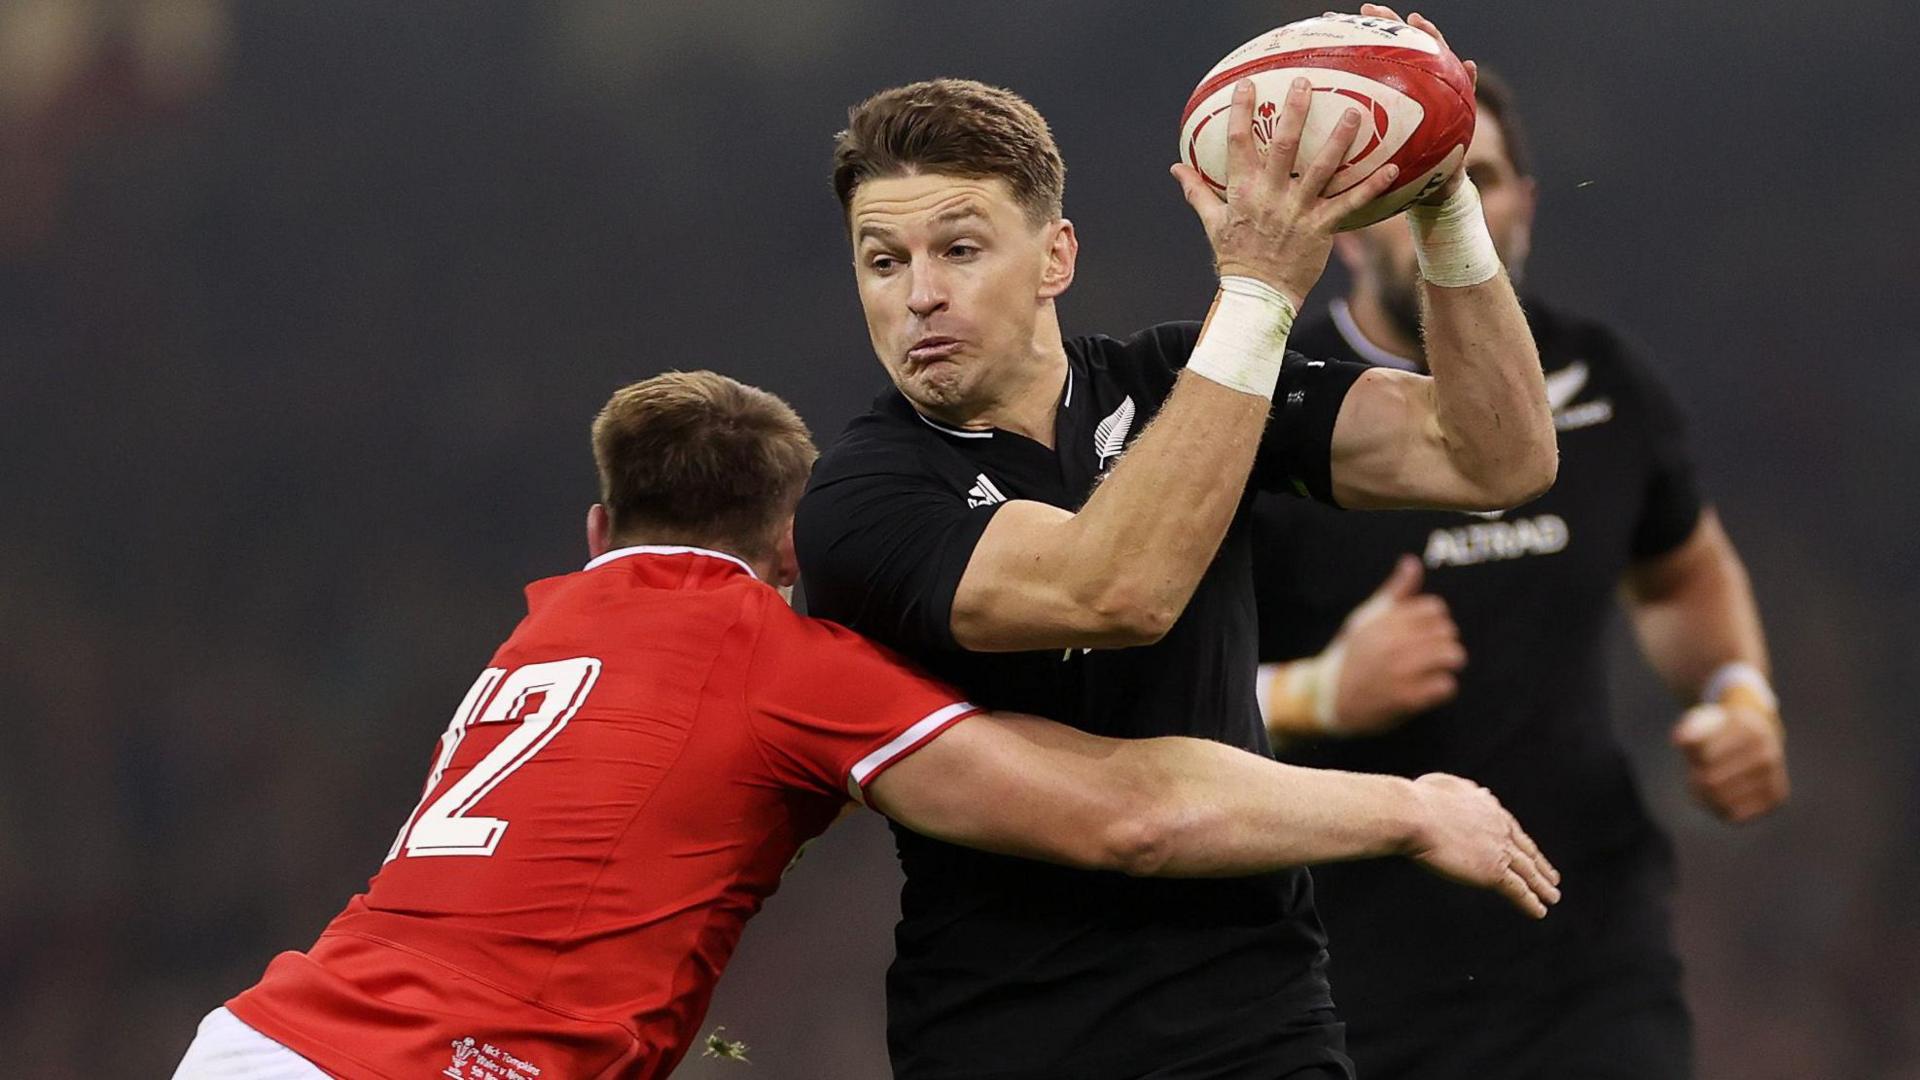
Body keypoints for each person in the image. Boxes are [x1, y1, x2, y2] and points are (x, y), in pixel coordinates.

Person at [170, 371, 1557, 1080]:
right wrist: (1409, 804)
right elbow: (1123, 812)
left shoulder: (547, 628)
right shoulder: (777, 659)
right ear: (792, 541)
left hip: (258, 1038)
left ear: (598, 528)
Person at [795, 9, 1558, 1079]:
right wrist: (1255, 294)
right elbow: (1114, 590)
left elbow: (1495, 457)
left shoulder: (1173, 381)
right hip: (1011, 1041)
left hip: (1261, 1028)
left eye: (960, 249)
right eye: (883, 261)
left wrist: (1444, 206)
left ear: (1055, 254)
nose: (919, 293)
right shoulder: (861, 501)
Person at [1247, 67, 1789, 1080]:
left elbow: (1681, 575)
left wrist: (1739, 696)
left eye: (1475, 179)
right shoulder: (1269, 413)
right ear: (1352, 226)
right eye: (1413, 186)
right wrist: (1318, 693)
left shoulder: (1604, 380)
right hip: (1344, 980)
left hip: (1593, 960)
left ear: (1524, 204)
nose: (1455, 209)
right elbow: (1149, 704)